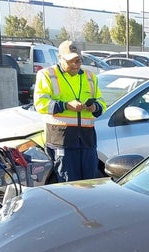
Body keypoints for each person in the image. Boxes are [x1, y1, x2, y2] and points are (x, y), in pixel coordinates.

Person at [34, 41, 106, 182]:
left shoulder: (90, 77)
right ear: (60, 58)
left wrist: (94, 107)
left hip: (87, 140)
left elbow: (102, 103)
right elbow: (40, 104)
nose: (76, 64)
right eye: (71, 60)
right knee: (68, 185)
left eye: (78, 60)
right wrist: (66, 106)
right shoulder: (47, 75)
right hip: (62, 140)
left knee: (90, 183)